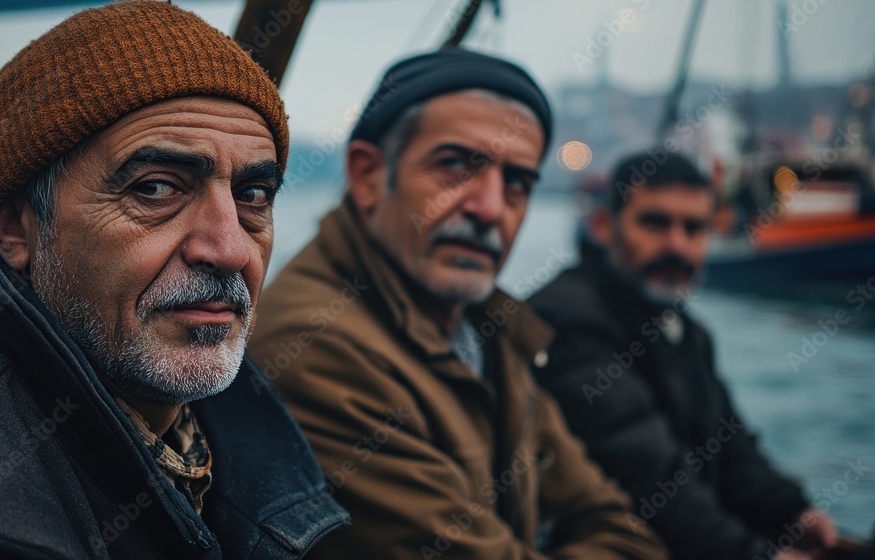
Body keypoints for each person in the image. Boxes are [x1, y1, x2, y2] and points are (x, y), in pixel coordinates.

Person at [0, 3, 348, 558]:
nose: (230, 248)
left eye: (252, 196)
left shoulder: (206, 419)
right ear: (16, 229)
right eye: (157, 189)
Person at [249, 49, 667, 560]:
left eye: (517, 183)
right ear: (368, 176)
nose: (490, 208)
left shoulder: (486, 326)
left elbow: (615, 521)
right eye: (454, 166)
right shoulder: (315, 347)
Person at [528, 149, 837, 560]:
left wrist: (792, 513)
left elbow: (730, 447)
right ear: (603, 226)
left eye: (693, 228)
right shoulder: (567, 321)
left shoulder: (685, 331)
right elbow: (646, 475)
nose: (676, 245)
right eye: (655, 223)